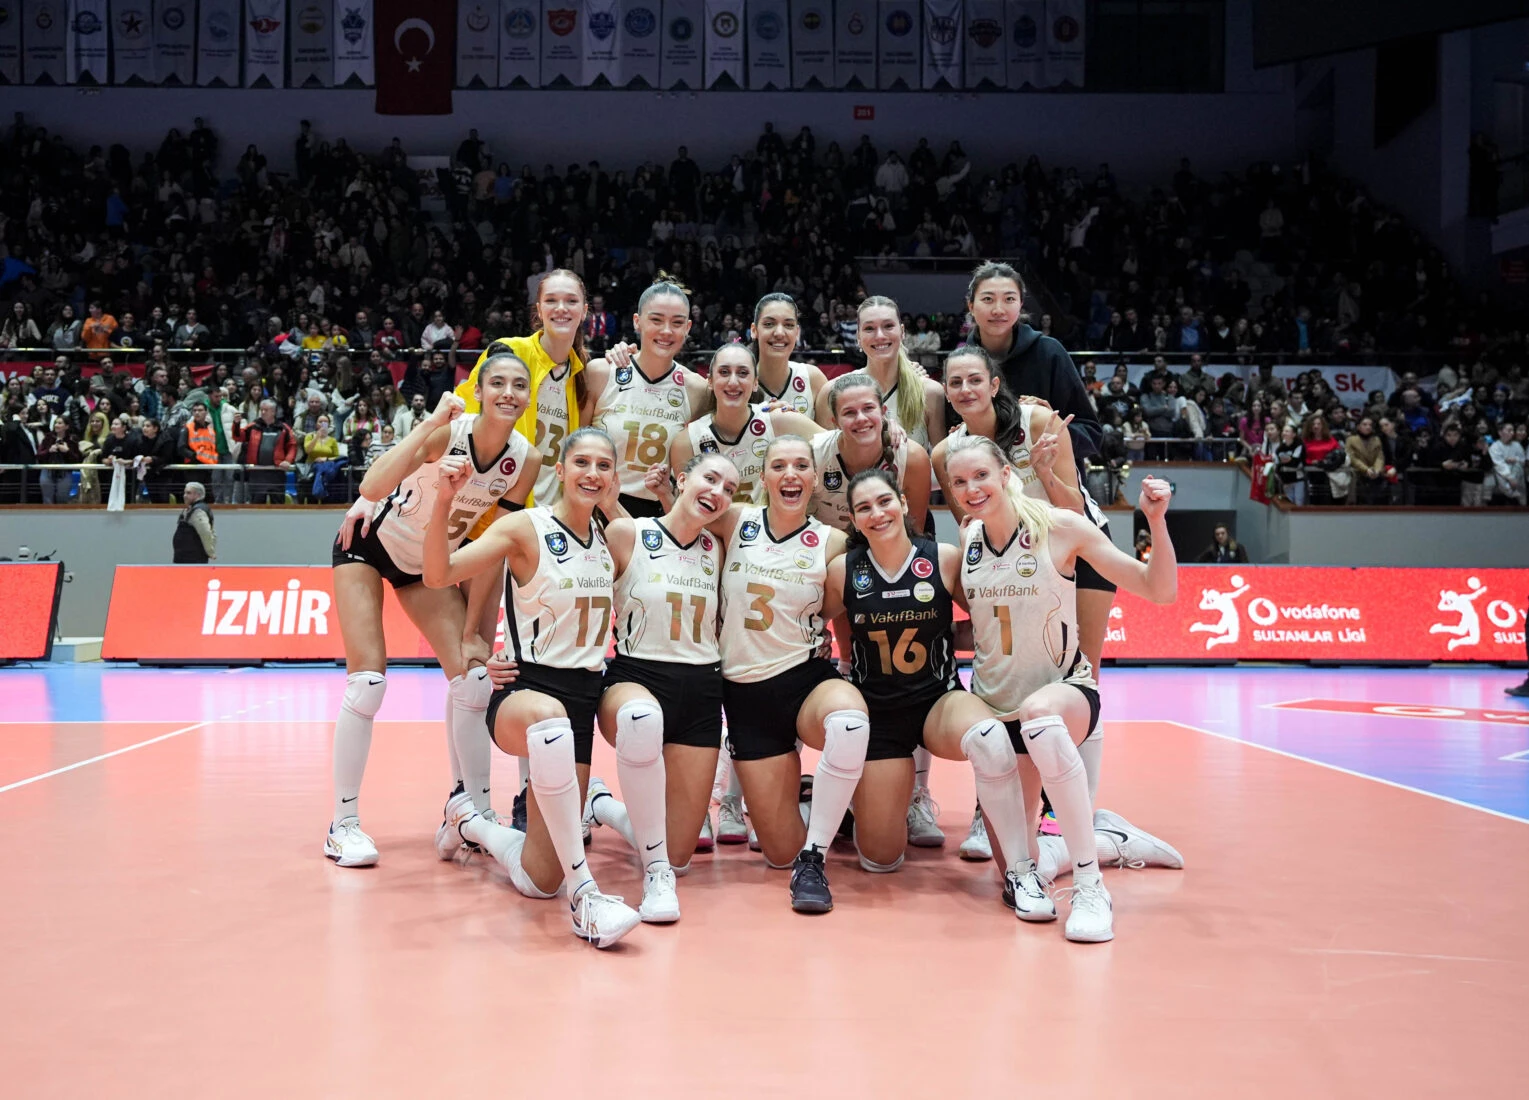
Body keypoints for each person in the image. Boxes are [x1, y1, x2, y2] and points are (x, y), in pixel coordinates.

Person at [932, 346, 1178, 867]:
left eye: (975, 379)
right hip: (1006, 559)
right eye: (955, 382)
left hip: (1063, 541)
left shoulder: (1037, 419)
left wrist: (1153, 523)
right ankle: (1022, 818)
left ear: (995, 383)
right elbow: (972, 524)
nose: (966, 389)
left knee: (1071, 678)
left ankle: (1087, 831)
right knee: (1017, 866)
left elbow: (1072, 510)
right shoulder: (951, 461)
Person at [943, 434, 1179, 940]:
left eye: (981, 475)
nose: (971, 488)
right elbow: (986, 626)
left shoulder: (1062, 528)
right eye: (959, 482)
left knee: (1040, 716)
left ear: (1007, 473)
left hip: (1064, 693)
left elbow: (1159, 590)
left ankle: (1092, 887)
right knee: (1020, 868)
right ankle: (1109, 839)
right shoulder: (970, 543)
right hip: (997, 708)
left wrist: (1155, 523)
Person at [423, 428, 643, 949]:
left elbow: (651, 570)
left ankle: (469, 822)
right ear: (561, 470)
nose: (592, 473)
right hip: (527, 691)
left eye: (604, 465)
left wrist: (615, 509)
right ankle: (586, 896)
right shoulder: (526, 528)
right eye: (582, 462)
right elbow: (438, 574)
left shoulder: (612, 538)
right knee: (550, 721)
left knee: (538, 877)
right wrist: (444, 504)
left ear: (614, 477)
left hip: (584, 695)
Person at [324, 356, 539, 869]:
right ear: (480, 390)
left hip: (427, 569)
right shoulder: (449, 433)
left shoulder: (524, 460)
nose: (508, 393)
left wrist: (473, 633)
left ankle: (469, 811)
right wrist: (432, 421)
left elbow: (493, 548)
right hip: (367, 545)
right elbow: (372, 488)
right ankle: (343, 824)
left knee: (473, 679)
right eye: (497, 384)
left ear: (527, 396)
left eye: (518, 385)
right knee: (368, 684)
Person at [709, 434, 870, 913]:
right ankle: (813, 807)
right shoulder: (735, 520)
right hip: (744, 693)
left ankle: (815, 855)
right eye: (779, 465)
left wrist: (829, 642)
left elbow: (837, 607)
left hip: (803, 679)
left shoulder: (831, 540)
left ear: (814, 480)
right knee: (779, 853)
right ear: (763, 478)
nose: (790, 474)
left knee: (849, 722)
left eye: (801, 465)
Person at [590, 277, 709, 517]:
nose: (666, 331)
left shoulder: (697, 388)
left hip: (660, 515)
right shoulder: (601, 372)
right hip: (597, 508)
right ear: (637, 321)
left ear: (687, 328)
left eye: (676, 323)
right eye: (656, 320)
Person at [666, 343, 823, 509]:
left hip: (772, 532)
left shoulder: (780, 420)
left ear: (755, 383)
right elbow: (684, 511)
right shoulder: (686, 441)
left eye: (742, 373)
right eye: (724, 372)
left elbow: (835, 445)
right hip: (711, 533)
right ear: (710, 381)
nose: (733, 382)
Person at [810, 373, 931, 534]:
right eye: (849, 413)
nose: (861, 418)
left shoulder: (912, 457)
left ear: (883, 412)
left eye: (868, 408)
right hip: (828, 552)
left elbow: (915, 532)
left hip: (891, 549)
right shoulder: (814, 456)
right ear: (835, 422)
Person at [832, 296, 945, 451]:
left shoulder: (930, 392)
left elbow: (941, 463)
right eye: (869, 328)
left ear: (902, 331)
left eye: (888, 326)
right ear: (858, 336)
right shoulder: (835, 391)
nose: (880, 336)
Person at [750, 294, 829, 416]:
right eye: (769, 324)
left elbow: (832, 435)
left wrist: (793, 422)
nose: (779, 333)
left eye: (788, 325)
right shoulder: (737, 381)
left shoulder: (813, 378)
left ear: (797, 333)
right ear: (754, 330)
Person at [173, 481, 217, 562]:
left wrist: (210, 552)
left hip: (192, 559)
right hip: (185, 557)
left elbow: (206, 533)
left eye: (188, 493)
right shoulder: (191, 509)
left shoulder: (198, 511)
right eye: (185, 493)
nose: (184, 496)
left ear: (198, 495)